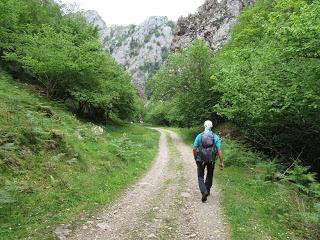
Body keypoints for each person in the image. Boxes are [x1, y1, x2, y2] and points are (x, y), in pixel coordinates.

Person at [193, 120, 224, 202]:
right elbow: (219, 150)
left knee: (200, 176)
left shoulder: (199, 136)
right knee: (210, 175)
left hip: (200, 159)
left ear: (204, 126)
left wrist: (195, 157)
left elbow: (194, 148)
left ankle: (204, 191)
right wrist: (222, 162)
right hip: (211, 160)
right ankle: (207, 190)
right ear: (211, 127)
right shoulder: (215, 137)